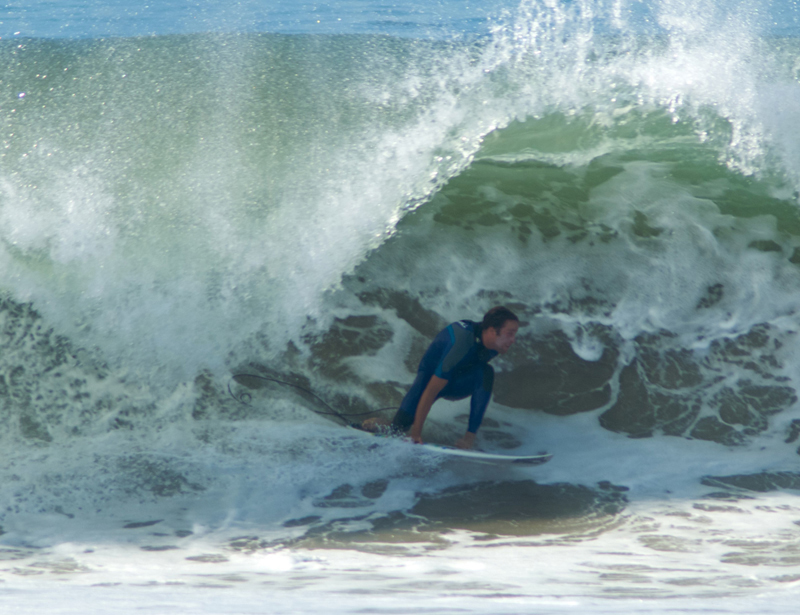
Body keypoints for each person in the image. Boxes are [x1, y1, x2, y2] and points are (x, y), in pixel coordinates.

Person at [363, 306, 519, 449]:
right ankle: (380, 423)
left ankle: (468, 439)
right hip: (428, 382)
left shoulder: (493, 344)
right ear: (492, 331)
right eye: (510, 334)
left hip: (456, 383)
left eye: (514, 334)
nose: (513, 340)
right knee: (396, 431)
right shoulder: (463, 342)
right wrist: (416, 434)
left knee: (486, 373)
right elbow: (431, 391)